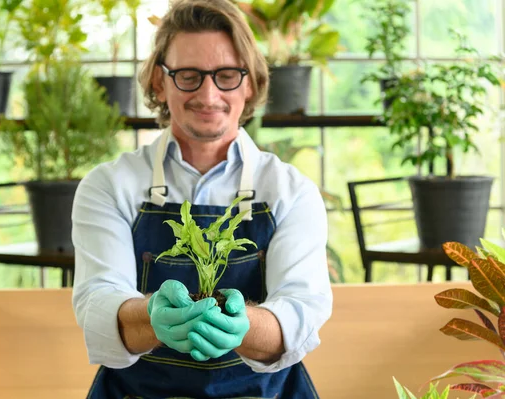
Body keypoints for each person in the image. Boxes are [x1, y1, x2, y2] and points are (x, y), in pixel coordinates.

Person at [71, 0, 332, 397]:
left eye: (226, 75)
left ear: (249, 82)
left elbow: (300, 311)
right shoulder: (110, 185)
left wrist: (242, 324)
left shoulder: (290, 191)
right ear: (160, 81)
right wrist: (151, 315)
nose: (208, 95)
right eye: (188, 75)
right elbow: (98, 300)